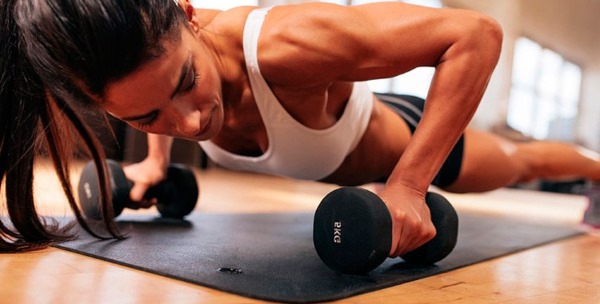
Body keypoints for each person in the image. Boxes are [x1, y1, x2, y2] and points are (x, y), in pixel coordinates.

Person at [1, 0, 599, 254]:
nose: (191, 122)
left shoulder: (287, 46)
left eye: (188, 82)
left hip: (398, 138)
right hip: (338, 157)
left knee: (523, 165)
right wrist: (156, 164)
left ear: (186, 14)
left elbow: (475, 35)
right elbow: (157, 89)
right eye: (146, 117)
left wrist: (411, 185)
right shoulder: (150, 72)